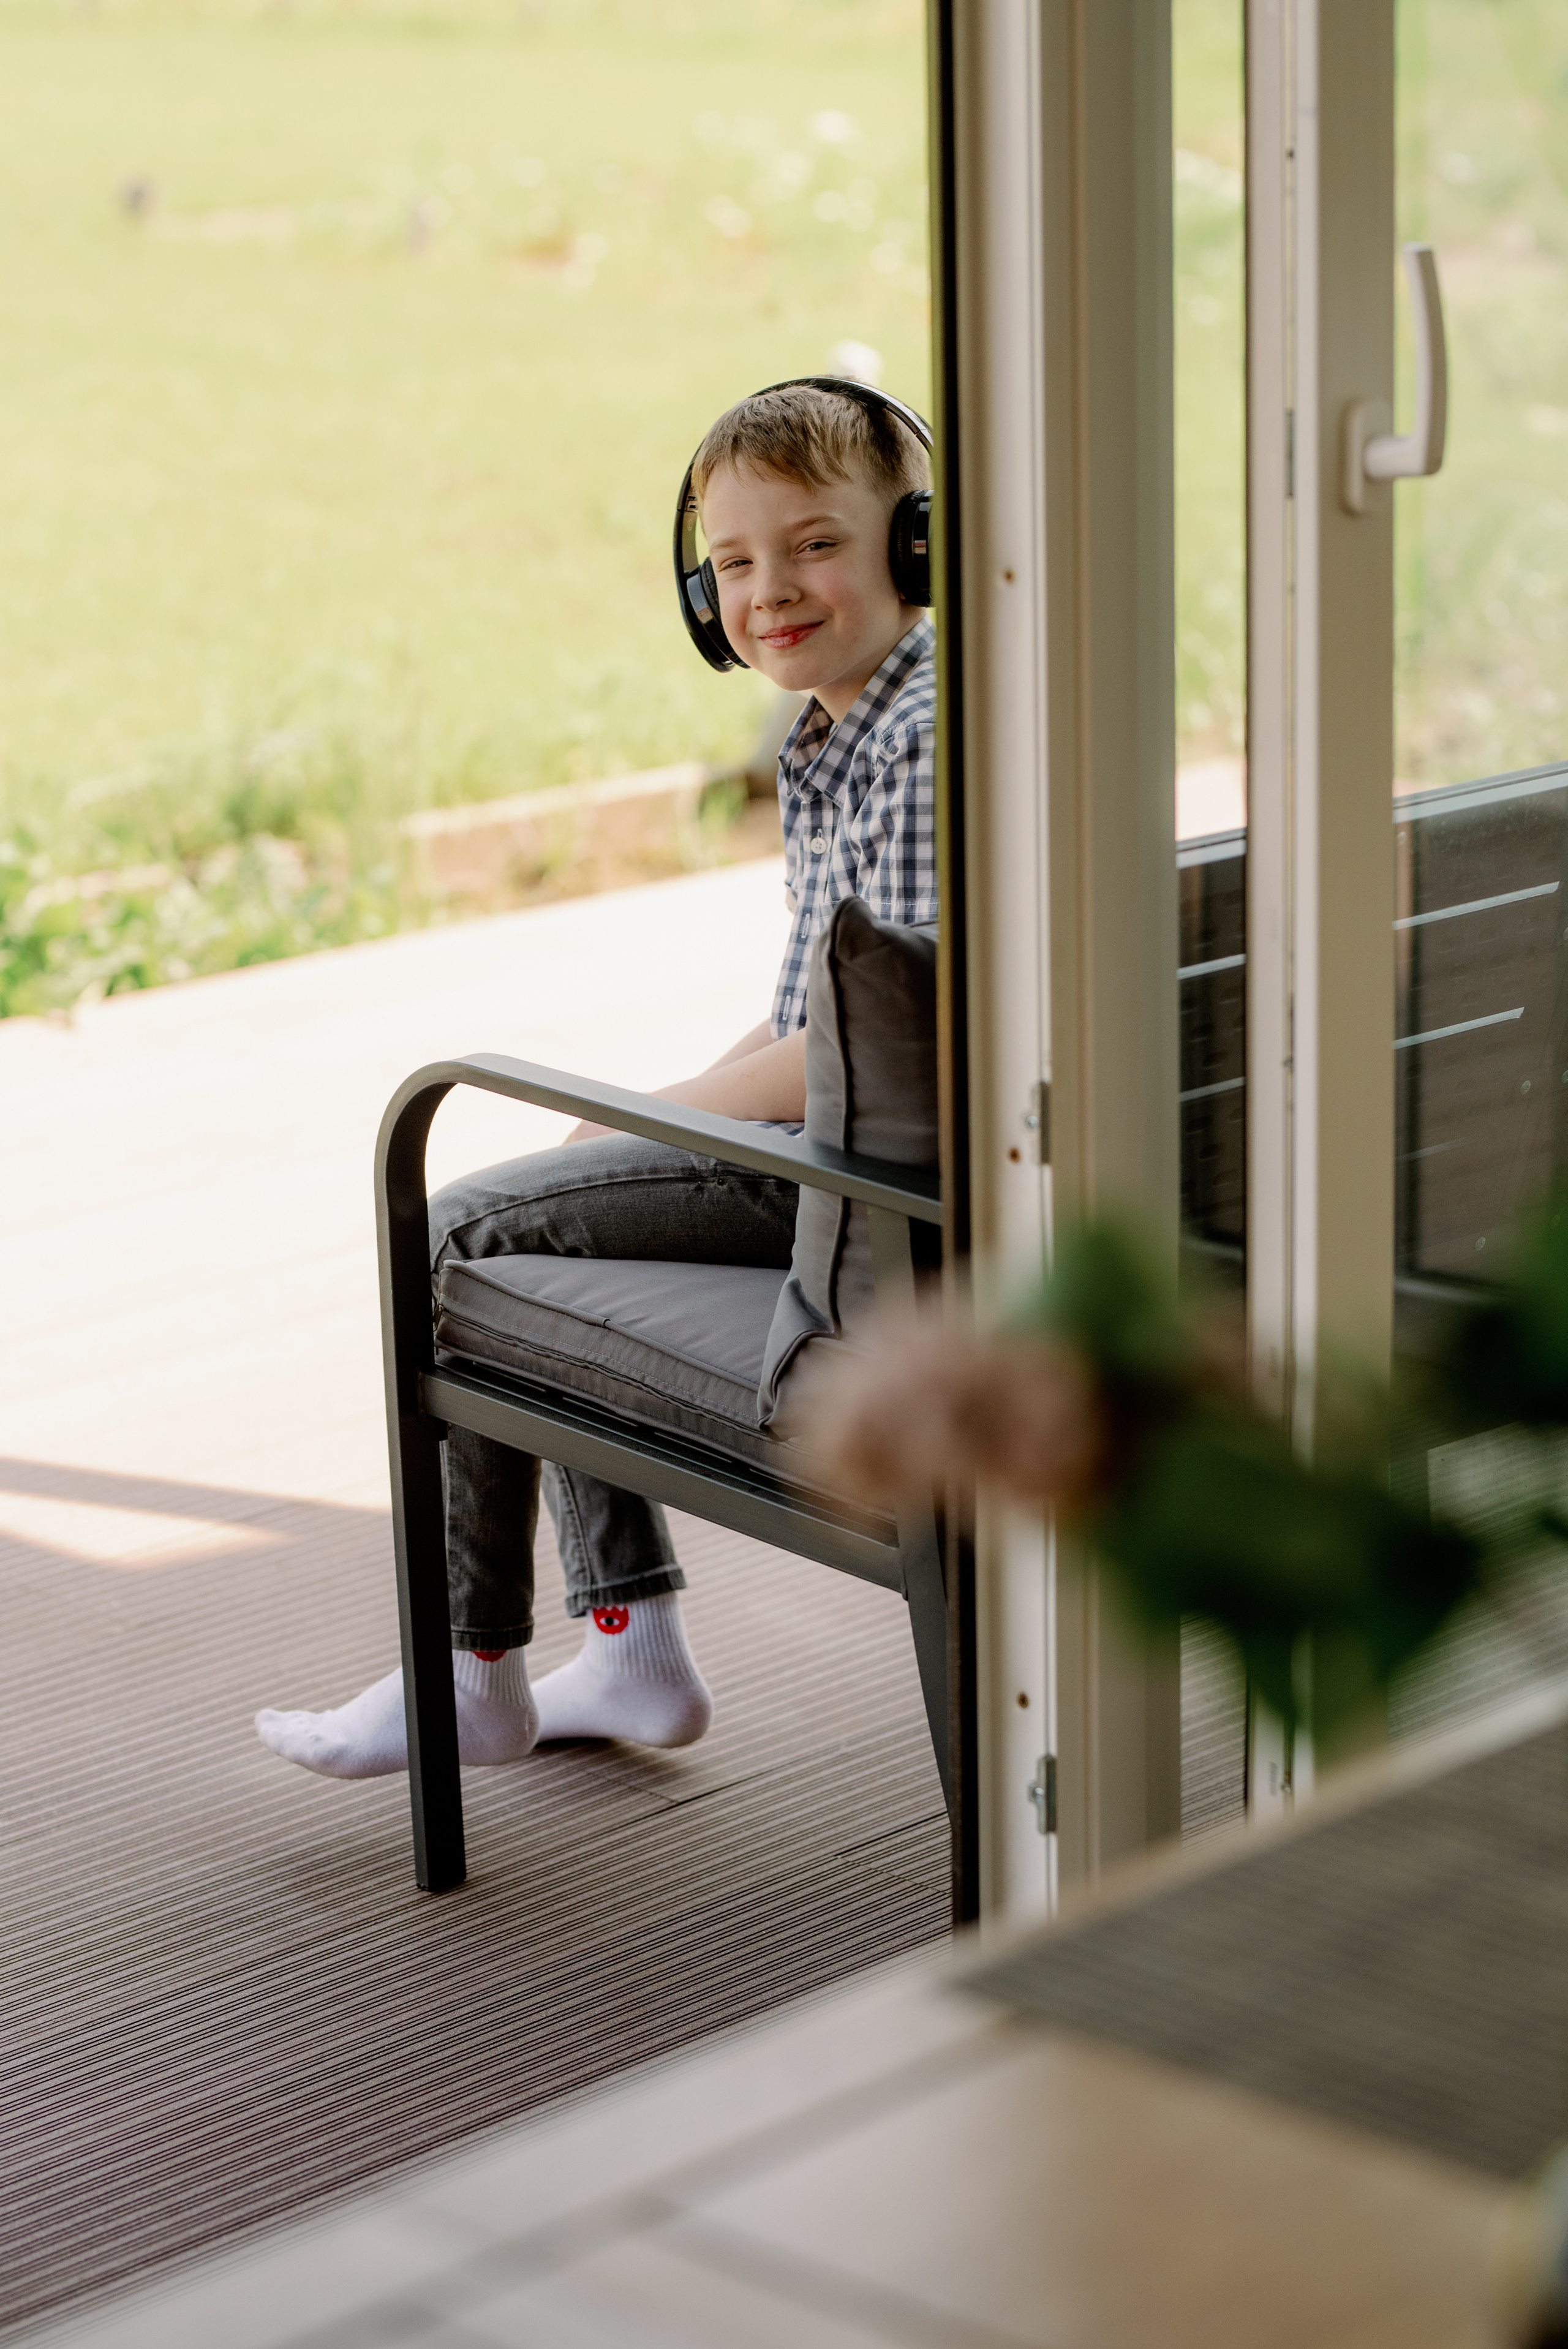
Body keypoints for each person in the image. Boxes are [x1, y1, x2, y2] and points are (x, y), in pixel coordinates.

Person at [255, 379, 937, 1780]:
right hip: (851, 1148)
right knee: (561, 1190)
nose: (769, 591)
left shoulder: (922, 739)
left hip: (873, 1191)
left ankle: (476, 1666)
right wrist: (665, 1099)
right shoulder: (849, 726)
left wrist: (672, 1112)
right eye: (735, 563)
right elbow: (831, 1005)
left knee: (454, 1231)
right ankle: (626, 1654)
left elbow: (899, 1045)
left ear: (915, 543)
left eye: (813, 544)